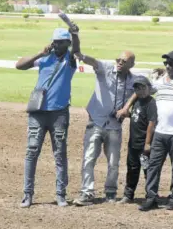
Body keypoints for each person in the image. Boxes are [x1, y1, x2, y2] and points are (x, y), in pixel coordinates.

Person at [16, 24, 80, 208]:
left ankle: (61, 194)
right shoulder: (44, 58)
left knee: (60, 154)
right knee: (32, 151)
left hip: (59, 113)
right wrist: (39, 53)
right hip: (38, 112)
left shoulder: (70, 59)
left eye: (60, 42)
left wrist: (75, 34)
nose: (56, 45)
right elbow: (19, 66)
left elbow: (77, 49)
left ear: (67, 43)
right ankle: (27, 194)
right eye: (55, 42)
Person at [119, 50, 173, 211]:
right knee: (153, 165)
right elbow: (142, 91)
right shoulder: (160, 80)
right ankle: (151, 198)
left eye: (171, 63)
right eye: (166, 63)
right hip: (160, 131)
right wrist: (126, 107)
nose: (167, 66)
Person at [72, 50, 136, 206]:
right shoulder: (106, 68)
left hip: (115, 127)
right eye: (118, 59)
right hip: (96, 122)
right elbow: (94, 62)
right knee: (89, 159)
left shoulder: (134, 81)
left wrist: (127, 108)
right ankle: (86, 192)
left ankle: (111, 192)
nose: (120, 62)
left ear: (132, 64)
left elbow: (148, 89)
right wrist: (82, 56)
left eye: (124, 61)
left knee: (114, 162)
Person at [117, 75, 158, 204]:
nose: (140, 90)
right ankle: (128, 195)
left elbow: (151, 123)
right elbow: (137, 115)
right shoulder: (137, 101)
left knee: (147, 170)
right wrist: (126, 113)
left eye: (142, 87)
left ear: (148, 88)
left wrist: (147, 144)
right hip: (133, 143)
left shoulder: (151, 103)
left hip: (143, 145)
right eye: (137, 88)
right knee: (132, 168)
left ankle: (151, 196)